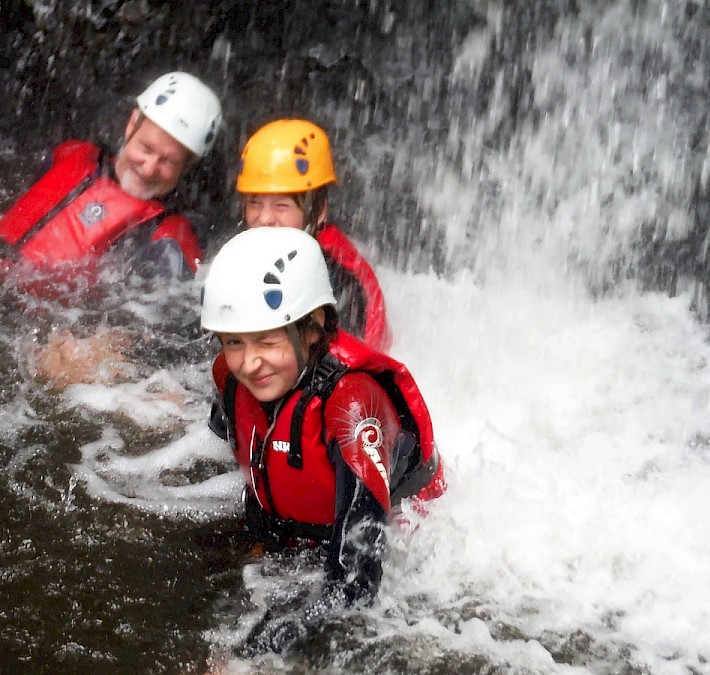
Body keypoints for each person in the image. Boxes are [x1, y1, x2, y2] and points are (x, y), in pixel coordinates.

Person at [201, 226, 444, 655]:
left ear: (313, 329)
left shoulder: (350, 403)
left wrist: (258, 651)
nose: (249, 362)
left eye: (267, 340)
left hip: (395, 553)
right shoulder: (230, 375)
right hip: (291, 540)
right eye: (233, 341)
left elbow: (358, 579)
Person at [0, 70, 222, 280]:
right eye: (146, 148)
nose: (148, 168)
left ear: (187, 164)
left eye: (168, 161)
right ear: (131, 125)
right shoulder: (71, 154)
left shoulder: (171, 240)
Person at [236, 119, 392, 351]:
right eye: (254, 203)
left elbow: (347, 362)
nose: (264, 218)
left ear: (319, 212)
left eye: (281, 205)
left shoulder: (338, 278)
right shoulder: (256, 247)